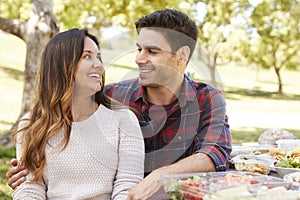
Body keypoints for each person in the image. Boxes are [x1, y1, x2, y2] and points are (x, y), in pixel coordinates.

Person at [7, 9, 232, 199]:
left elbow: (214, 154)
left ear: (181, 56)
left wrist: (160, 175)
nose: (139, 59)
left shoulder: (207, 99)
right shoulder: (112, 97)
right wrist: (27, 172)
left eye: (152, 51)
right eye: (139, 49)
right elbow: (59, 121)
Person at [11, 28, 144, 199]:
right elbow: (29, 188)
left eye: (99, 57)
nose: (99, 65)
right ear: (61, 65)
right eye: (87, 56)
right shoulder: (32, 124)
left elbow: (128, 186)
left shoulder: (123, 120)